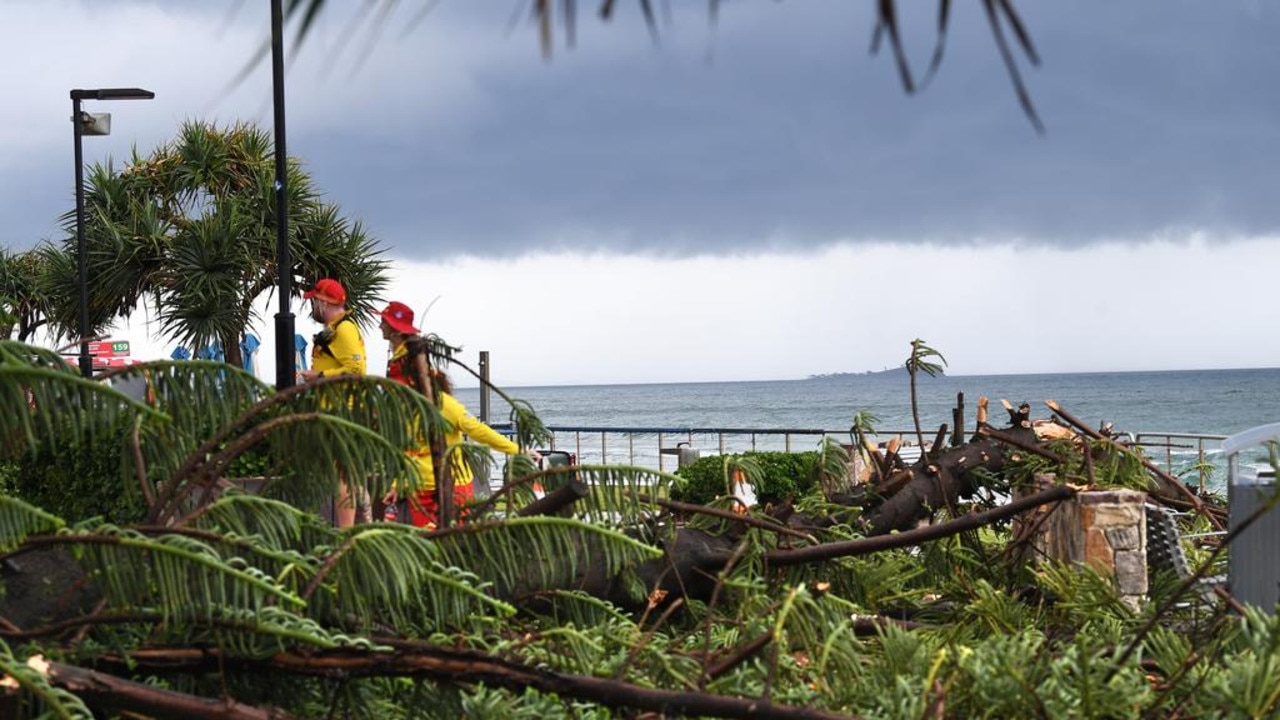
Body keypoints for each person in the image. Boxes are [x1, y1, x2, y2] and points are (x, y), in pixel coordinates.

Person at [377, 300, 538, 529]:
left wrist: (517, 450)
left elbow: (479, 431)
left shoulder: (444, 405)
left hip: (450, 486)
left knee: (450, 542)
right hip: (418, 488)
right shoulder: (404, 410)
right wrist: (397, 485)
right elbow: (408, 454)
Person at [299, 278, 367, 526]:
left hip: (342, 410)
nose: (312, 307)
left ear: (324, 302)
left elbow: (356, 368)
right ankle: (357, 529)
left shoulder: (344, 329)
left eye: (314, 301)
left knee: (344, 477)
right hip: (333, 408)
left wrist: (318, 376)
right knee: (347, 476)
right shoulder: (334, 328)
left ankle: (346, 533)